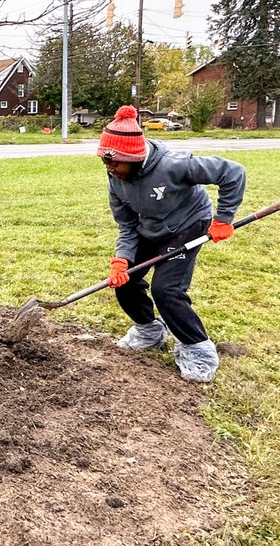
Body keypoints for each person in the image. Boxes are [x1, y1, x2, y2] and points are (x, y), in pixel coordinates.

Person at [96, 105, 245, 383]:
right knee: (125, 281)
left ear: (134, 156)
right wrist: (121, 259)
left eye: (115, 162)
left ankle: (198, 349)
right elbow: (127, 225)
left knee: (167, 290)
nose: (110, 168)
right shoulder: (115, 178)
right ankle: (149, 331)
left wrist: (223, 218)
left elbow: (232, 172)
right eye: (106, 163)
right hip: (150, 229)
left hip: (187, 225)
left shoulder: (174, 165)